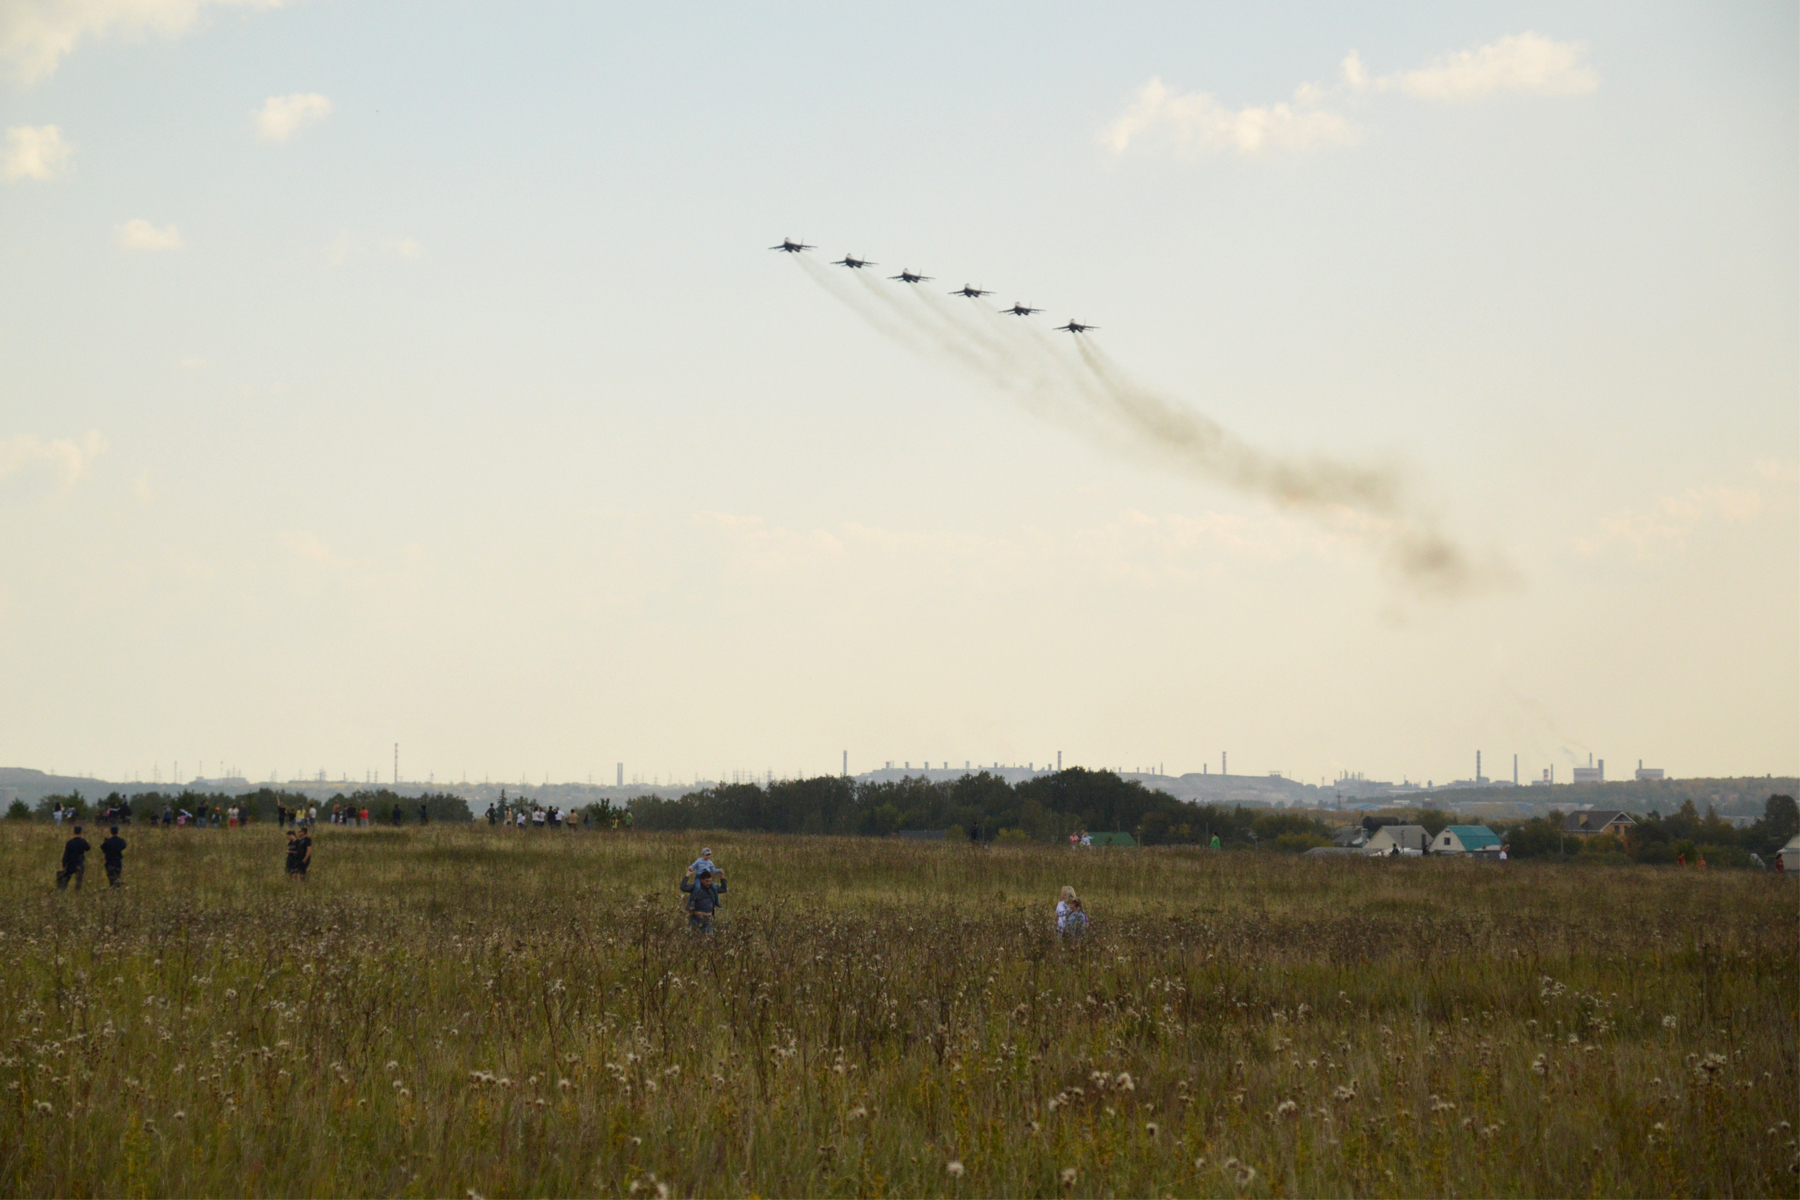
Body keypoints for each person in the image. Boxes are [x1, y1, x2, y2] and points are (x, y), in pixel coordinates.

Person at [680, 866, 727, 933]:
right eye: (707, 881)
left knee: (708, 939)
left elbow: (723, 889)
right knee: (694, 938)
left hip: (708, 919)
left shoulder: (712, 889)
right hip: (696, 918)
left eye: (710, 881)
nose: (709, 883)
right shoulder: (696, 887)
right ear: (701, 880)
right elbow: (683, 887)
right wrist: (687, 875)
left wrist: (722, 877)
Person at [57, 825, 92, 890]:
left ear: (74, 832)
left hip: (70, 863)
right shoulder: (83, 841)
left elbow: (66, 854)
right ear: (81, 832)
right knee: (79, 880)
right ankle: (77, 892)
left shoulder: (69, 842)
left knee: (66, 879)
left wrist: (64, 865)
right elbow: (88, 848)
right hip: (79, 863)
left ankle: (62, 891)